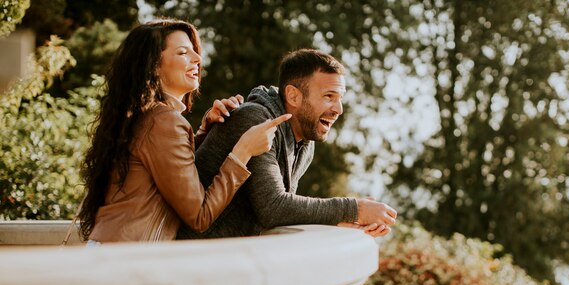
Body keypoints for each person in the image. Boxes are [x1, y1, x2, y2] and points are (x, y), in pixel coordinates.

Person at [78, 19, 290, 243]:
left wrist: (204, 132)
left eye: (194, 52)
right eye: (182, 53)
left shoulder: (147, 117)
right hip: (128, 259)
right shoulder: (164, 122)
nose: (198, 59)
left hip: (114, 249)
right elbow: (200, 215)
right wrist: (243, 151)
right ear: (153, 66)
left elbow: (166, 171)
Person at [177, 49, 396, 240]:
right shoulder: (256, 121)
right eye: (329, 96)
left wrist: (343, 220)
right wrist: (355, 209)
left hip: (227, 261)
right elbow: (273, 208)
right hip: (186, 261)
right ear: (293, 96)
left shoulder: (304, 142)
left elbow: (283, 211)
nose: (339, 109)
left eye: (340, 98)